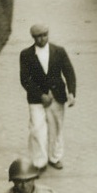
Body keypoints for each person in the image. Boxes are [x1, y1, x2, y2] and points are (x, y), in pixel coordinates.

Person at [19, 24, 77, 172]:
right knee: (37, 129)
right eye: (38, 36)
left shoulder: (59, 51)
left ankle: (55, 157)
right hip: (36, 99)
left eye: (44, 35)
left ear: (48, 34)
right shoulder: (26, 54)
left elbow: (69, 72)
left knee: (56, 128)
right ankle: (39, 162)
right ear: (33, 37)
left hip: (57, 96)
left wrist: (71, 92)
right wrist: (40, 95)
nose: (42, 39)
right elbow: (25, 79)